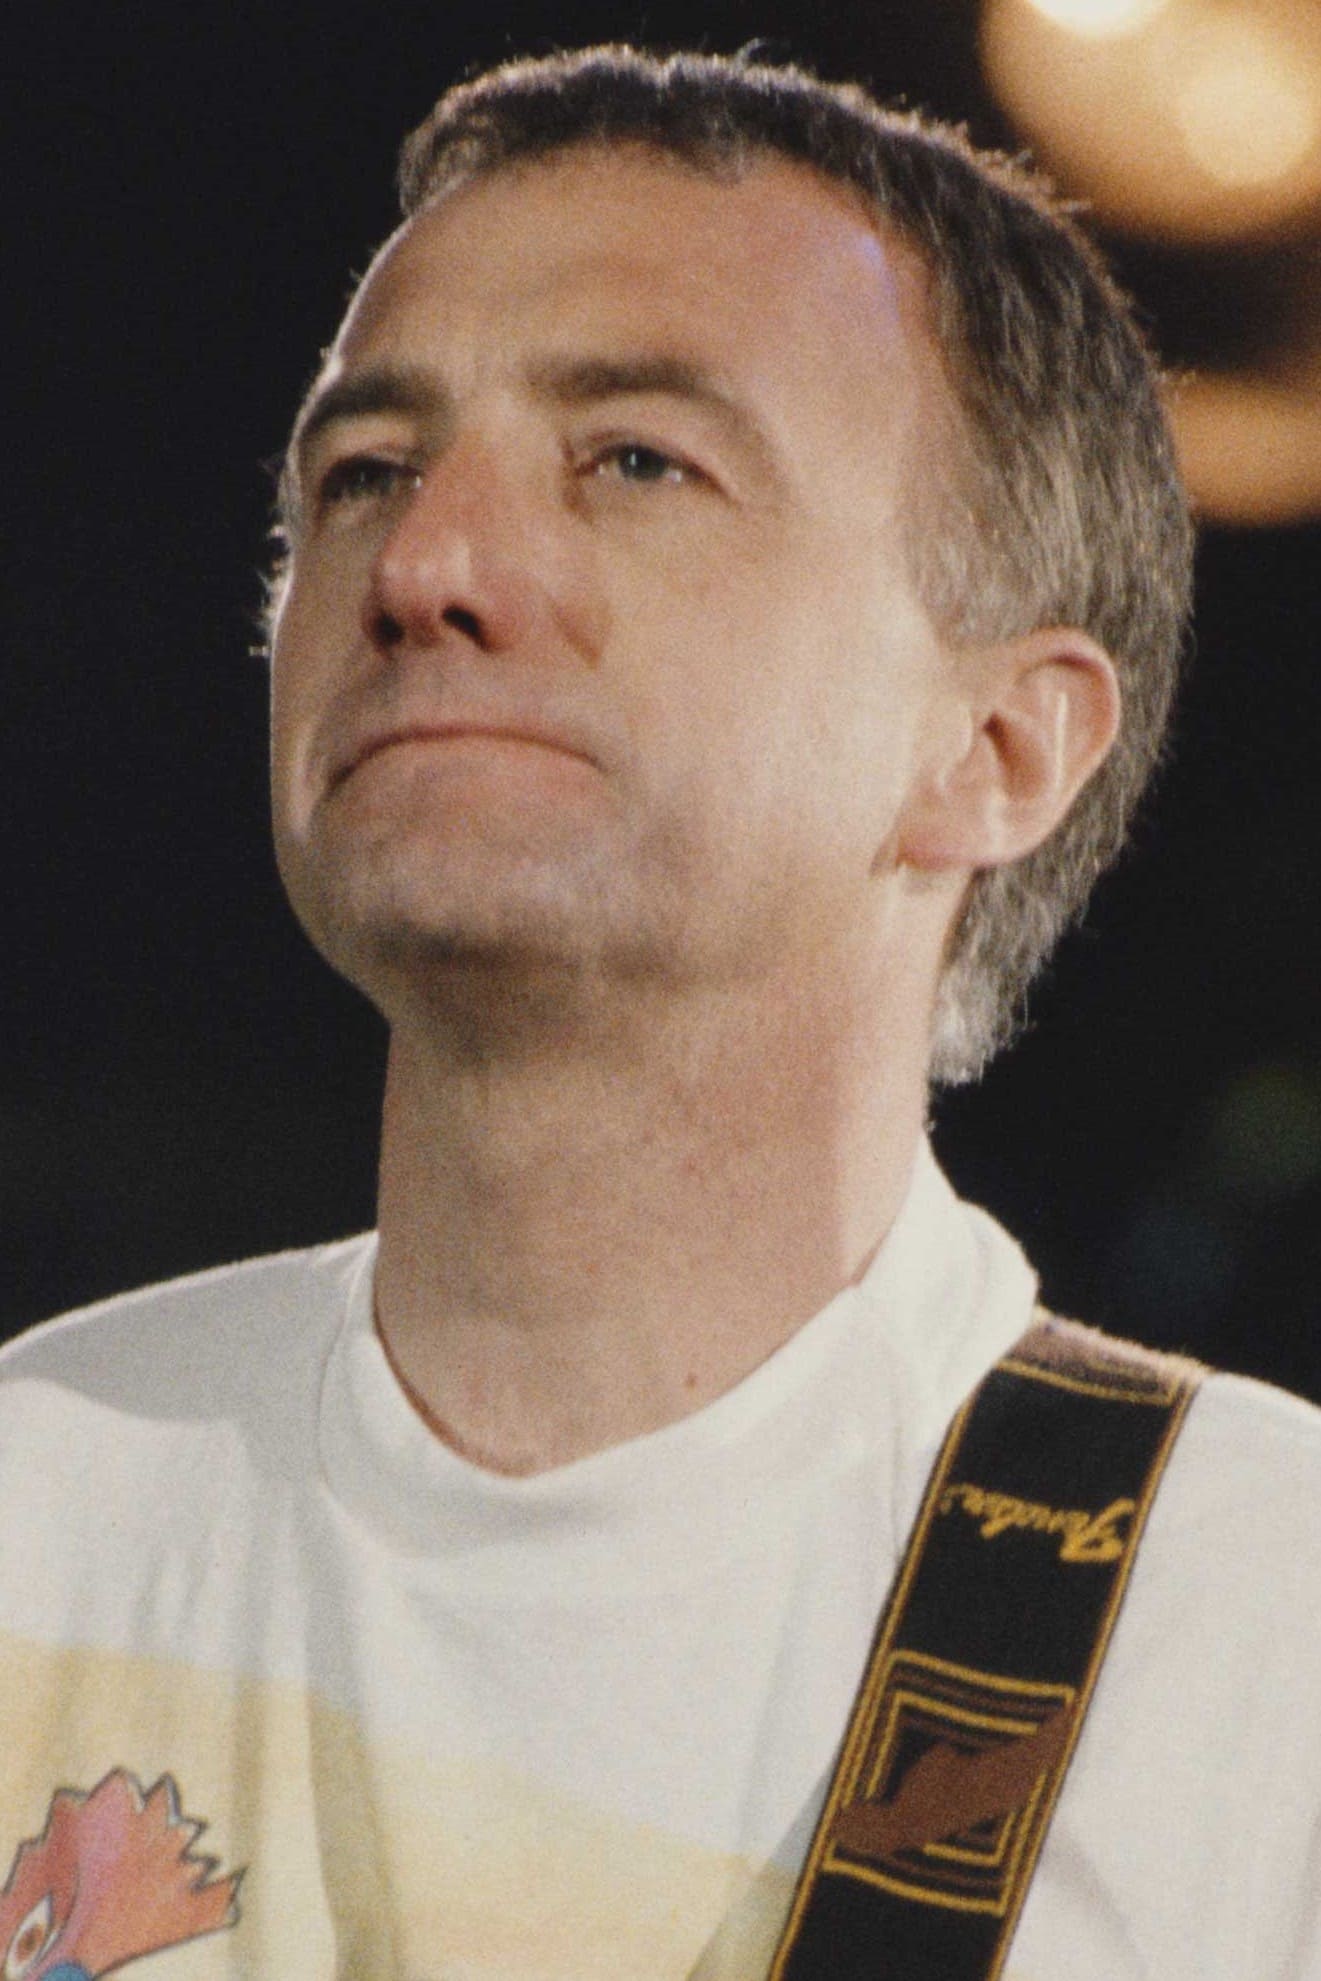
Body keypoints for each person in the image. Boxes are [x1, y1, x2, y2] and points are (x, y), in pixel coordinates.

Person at [1, 43, 1317, 1981]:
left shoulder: (1256, 1633)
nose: (423, 567)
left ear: (996, 747)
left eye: (634, 460)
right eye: (364, 473)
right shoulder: (32, 1503)